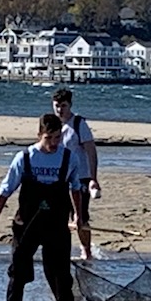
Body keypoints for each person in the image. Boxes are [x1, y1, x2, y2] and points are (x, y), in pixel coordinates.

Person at [0, 114, 83, 301]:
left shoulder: (69, 157)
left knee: (60, 274)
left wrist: (79, 216)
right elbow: (4, 193)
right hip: (27, 224)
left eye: (57, 138)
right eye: (49, 138)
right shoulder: (25, 158)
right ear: (39, 135)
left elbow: (76, 189)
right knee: (18, 270)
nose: (54, 143)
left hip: (56, 224)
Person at [52, 88, 100, 260]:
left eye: (63, 106)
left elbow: (91, 152)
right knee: (58, 215)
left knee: (80, 215)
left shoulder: (79, 124)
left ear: (70, 105)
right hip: (58, 178)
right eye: (57, 106)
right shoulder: (52, 126)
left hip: (80, 177)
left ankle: (86, 251)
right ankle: (59, 250)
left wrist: (93, 179)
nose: (60, 110)